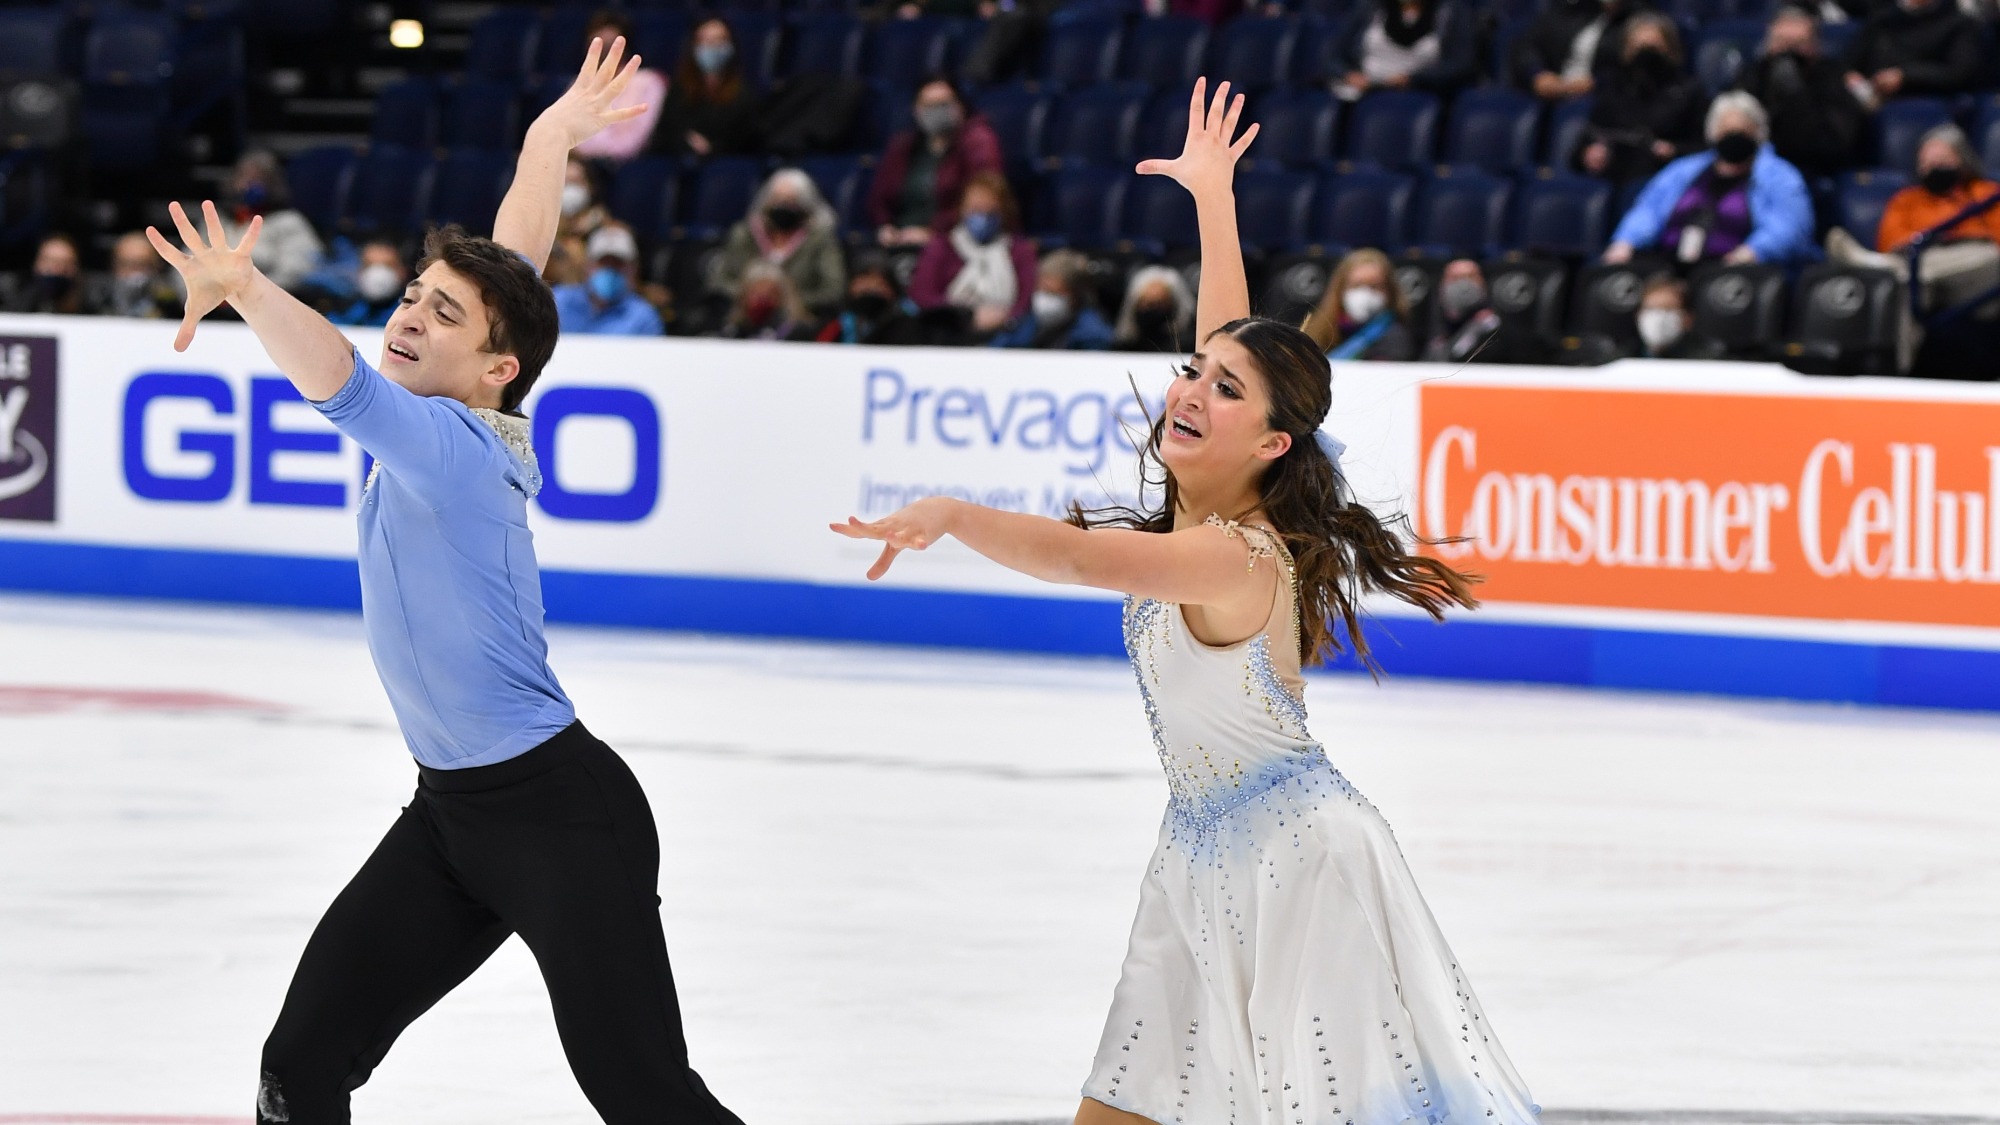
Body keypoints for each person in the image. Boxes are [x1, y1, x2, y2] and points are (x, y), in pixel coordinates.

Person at [830, 78, 1540, 1125]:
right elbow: (1233, 342)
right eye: (1191, 373)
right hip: (1199, 851)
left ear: (1273, 444)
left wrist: (950, 512)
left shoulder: (1235, 556)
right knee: (1119, 1107)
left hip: (1300, 863)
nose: (1190, 392)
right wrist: (1214, 198)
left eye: (1222, 391)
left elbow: (1079, 559)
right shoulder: (1207, 502)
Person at [144, 40, 745, 1123]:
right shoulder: (456, 408)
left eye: (441, 315)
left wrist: (248, 288)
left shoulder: (456, 450)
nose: (410, 316)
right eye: (413, 296)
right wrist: (548, 139)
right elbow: (515, 263)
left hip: (562, 818)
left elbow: (336, 375)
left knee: (642, 1090)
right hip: (449, 819)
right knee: (300, 1066)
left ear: (497, 371)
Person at [1603, 91, 1818, 267]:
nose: (1734, 138)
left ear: (1758, 134)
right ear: (1714, 134)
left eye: (1742, 132)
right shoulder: (1684, 169)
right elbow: (1649, 209)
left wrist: (1752, 253)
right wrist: (1626, 242)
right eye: (1727, 132)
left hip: (1735, 270)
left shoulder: (1780, 175)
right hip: (1668, 262)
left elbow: (1790, 226)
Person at [867, 77, 1004, 248]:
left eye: (943, 104)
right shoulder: (902, 147)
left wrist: (933, 233)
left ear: (959, 106)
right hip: (900, 241)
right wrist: (885, 227)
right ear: (916, 110)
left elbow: (983, 200)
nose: (937, 111)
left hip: (954, 243)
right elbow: (878, 199)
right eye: (929, 105)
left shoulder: (978, 142)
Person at [1735, 7, 1867, 181]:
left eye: (1798, 44)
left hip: (1812, 172)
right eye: (1782, 42)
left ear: (1815, 46)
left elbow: (1835, 146)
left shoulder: (1833, 80)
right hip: (1751, 169)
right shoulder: (1753, 76)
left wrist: (1795, 96)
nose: (1788, 53)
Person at [1576, 13, 1707, 186]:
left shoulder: (1689, 92)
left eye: (1653, 48)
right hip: (1615, 179)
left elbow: (1704, 149)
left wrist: (1674, 151)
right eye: (1638, 48)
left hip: (1667, 179)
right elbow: (1585, 143)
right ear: (1626, 51)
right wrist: (1590, 153)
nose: (1645, 57)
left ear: (1671, 50)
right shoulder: (1612, 89)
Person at [709, 167, 848, 321]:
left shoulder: (820, 239)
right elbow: (719, 280)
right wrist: (750, 298)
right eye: (777, 199)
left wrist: (787, 301)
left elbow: (833, 290)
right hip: (743, 318)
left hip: (799, 320)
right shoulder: (743, 235)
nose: (783, 206)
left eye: (791, 201)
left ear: (805, 204)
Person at [908, 171, 1035, 337]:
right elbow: (923, 294)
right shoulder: (941, 247)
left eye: (990, 210)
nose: (983, 217)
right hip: (948, 331)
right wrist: (966, 316)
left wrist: (1004, 317)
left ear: (1003, 211)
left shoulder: (1020, 251)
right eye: (976, 209)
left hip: (1006, 332)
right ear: (962, 209)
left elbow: (1026, 301)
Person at [649, 17, 760, 158]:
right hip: (679, 160)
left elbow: (749, 142)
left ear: (731, 46)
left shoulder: (744, 95)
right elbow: (664, 135)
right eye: (706, 41)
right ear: (694, 46)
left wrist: (713, 148)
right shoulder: (678, 90)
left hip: (725, 164)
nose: (713, 47)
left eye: (719, 40)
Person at [217, 150, 324, 292]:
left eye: (257, 178)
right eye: (243, 177)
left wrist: (249, 292)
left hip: (265, 298)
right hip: (214, 300)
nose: (248, 185)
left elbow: (297, 271)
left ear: (273, 184)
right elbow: (192, 264)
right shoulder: (219, 221)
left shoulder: (289, 221)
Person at [1844, 0, 1985, 106]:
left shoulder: (1958, 23)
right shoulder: (1882, 18)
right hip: (1868, 98)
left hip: (1922, 100)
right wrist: (1851, 76)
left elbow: (1958, 73)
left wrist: (1905, 76)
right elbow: (1849, 61)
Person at [1328, 0, 1479, 98]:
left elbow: (1462, 64)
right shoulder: (1370, 6)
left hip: (1418, 92)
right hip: (1366, 88)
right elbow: (1331, 54)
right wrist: (1348, 75)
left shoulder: (1452, 11)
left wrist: (1413, 79)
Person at [573, 10, 666, 163]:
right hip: (577, 162)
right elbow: (564, 131)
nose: (604, 50)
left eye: (609, 44)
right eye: (597, 43)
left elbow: (631, 144)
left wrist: (585, 150)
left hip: (619, 165)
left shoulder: (648, 82)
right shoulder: (580, 84)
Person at [1512, 0, 1649, 102]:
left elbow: (1634, 68)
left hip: (1599, 99)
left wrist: (1595, 83)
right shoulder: (1571, 11)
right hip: (1551, 91)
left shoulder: (1640, 21)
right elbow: (1527, 45)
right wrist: (1537, 74)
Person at [1420, 259, 1542, 364]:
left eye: (1470, 277)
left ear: (1483, 284)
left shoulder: (1502, 334)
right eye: (1455, 278)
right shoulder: (1427, 329)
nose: (1463, 285)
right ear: (1441, 286)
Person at [990, 249, 1116, 350]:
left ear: (1075, 295)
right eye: (1040, 290)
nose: (1044, 298)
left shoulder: (1093, 334)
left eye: (1052, 292)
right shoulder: (1025, 323)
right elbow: (996, 352)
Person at [552, 223, 664, 336]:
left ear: (633, 269)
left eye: (618, 263)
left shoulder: (643, 318)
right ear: (588, 265)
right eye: (603, 262)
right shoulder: (558, 303)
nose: (610, 269)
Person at [1306, 248, 1416, 360]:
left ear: (1390, 292)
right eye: (1357, 285)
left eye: (1375, 286)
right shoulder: (1319, 332)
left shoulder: (1396, 337)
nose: (1365, 293)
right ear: (1340, 289)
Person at [815, 256, 928, 345]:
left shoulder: (907, 319)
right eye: (863, 283)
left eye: (879, 284)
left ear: (892, 288)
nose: (871, 288)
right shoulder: (838, 321)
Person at [716, 259, 818, 340]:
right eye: (756, 294)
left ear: (783, 297)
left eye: (770, 294)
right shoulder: (732, 331)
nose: (762, 300)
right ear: (743, 297)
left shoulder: (800, 332)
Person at [89, 231, 183, 319]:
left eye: (142, 264)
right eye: (126, 264)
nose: (135, 272)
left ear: (157, 266)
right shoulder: (99, 301)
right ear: (113, 265)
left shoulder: (170, 302)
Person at [1631, 273, 1725, 358]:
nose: (1658, 316)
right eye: (1651, 308)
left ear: (1688, 318)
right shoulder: (1624, 358)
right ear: (1638, 315)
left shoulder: (1707, 362)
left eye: (1668, 308)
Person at [327, 236, 411, 328]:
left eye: (387, 266)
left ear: (403, 271)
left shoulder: (412, 316)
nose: (378, 273)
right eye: (370, 265)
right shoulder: (342, 314)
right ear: (359, 271)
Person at [1112, 265, 1196, 353]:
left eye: (1160, 304)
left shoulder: (1189, 349)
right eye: (1148, 304)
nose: (1154, 310)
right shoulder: (1121, 349)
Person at [2, 233, 85, 314]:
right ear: (36, 264)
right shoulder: (11, 293)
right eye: (51, 261)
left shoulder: (87, 300)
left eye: (66, 263)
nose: (57, 269)